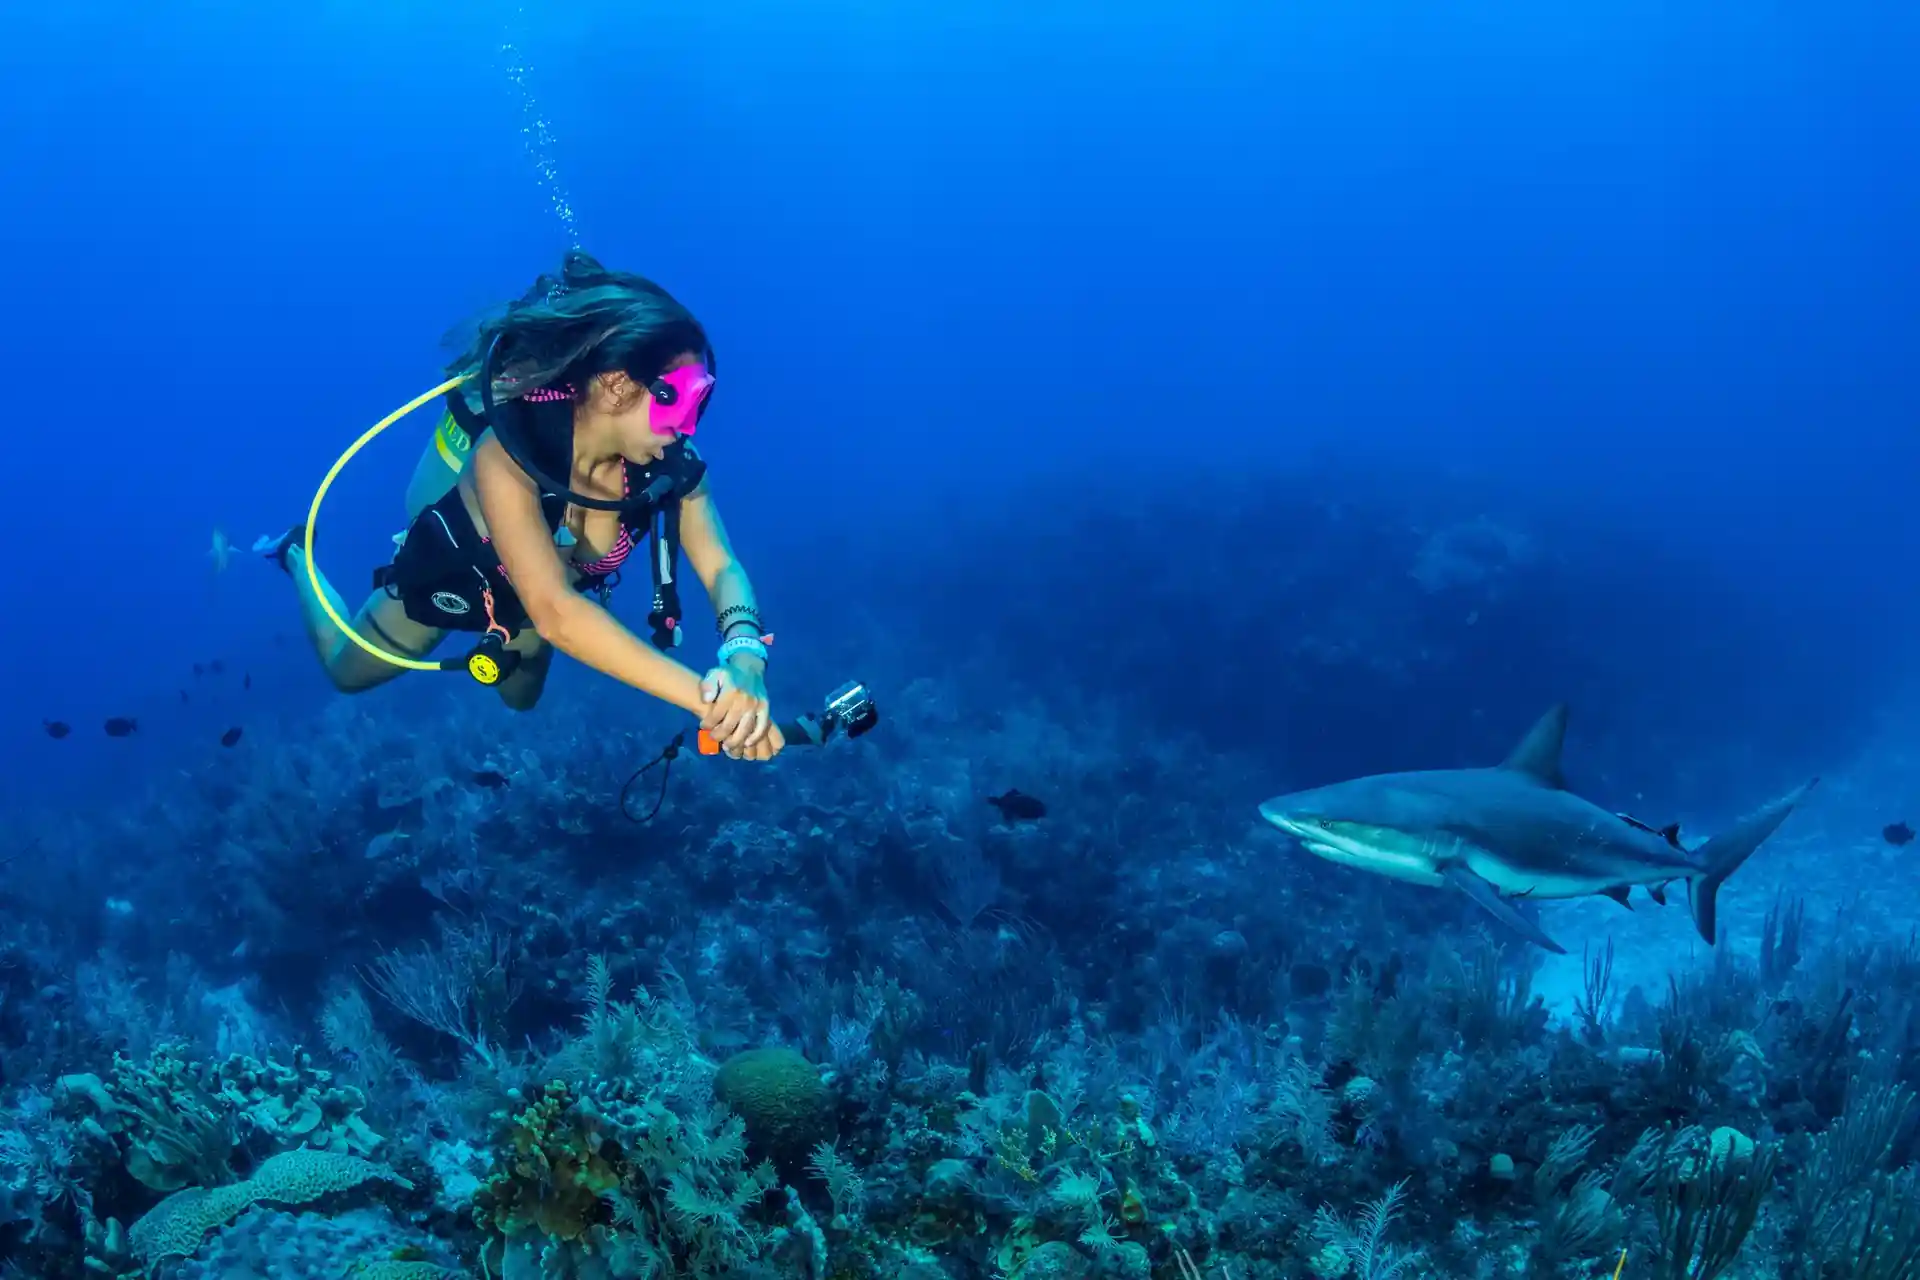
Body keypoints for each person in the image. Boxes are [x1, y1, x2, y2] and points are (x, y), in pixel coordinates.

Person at [255, 252, 781, 761]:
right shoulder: (508, 451)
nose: (686, 427)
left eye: (700, 401)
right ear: (616, 383)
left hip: (538, 597)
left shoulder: (671, 463)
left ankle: (507, 630)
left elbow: (721, 566)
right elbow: (556, 613)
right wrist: (712, 703)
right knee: (345, 673)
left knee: (520, 700)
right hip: (466, 573)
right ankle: (297, 555)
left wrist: (745, 657)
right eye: (675, 399)